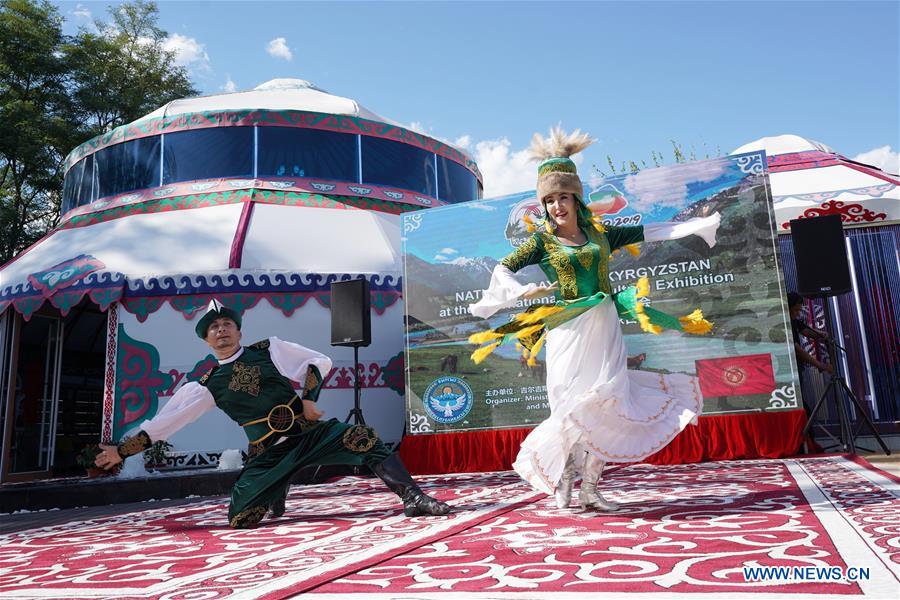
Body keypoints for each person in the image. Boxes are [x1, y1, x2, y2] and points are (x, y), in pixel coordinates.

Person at [469, 126, 721, 511]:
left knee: (608, 400)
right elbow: (503, 268)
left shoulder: (600, 235)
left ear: (576, 199)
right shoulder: (542, 242)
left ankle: (591, 488)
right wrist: (522, 292)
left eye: (563, 197)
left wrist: (697, 226)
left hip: (604, 325)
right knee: (569, 404)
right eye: (550, 200)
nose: (557, 206)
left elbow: (651, 230)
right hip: (567, 328)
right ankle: (564, 483)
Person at [94, 299, 450, 528]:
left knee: (365, 437)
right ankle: (276, 486)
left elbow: (314, 362)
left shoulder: (269, 350)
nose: (221, 331)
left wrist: (309, 398)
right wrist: (120, 451)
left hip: (307, 435)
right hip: (266, 455)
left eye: (227, 325)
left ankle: (412, 497)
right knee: (241, 519)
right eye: (213, 329)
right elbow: (162, 426)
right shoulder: (204, 384)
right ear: (205, 340)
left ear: (238, 330)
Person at [787, 292, 832, 410]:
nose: (797, 314)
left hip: (797, 371)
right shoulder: (785, 324)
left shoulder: (794, 321)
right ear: (788, 307)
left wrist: (821, 335)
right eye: (795, 310)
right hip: (789, 374)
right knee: (799, 406)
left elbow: (807, 331)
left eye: (799, 310)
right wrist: (820, 365)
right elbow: (798, 350)